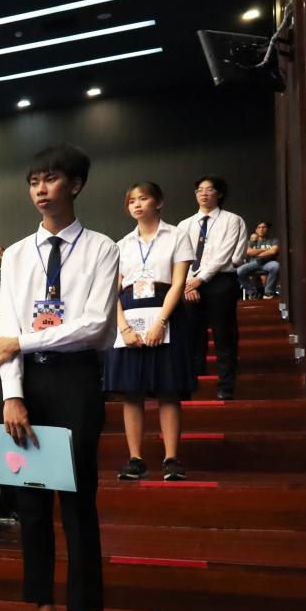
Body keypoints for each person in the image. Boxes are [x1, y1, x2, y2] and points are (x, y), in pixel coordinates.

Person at [0, 143, 118, 611]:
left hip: (76, 382)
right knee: (31, 503)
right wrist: (12, 395)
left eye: (50, 179)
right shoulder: (17, 254)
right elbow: (6, 330)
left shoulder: (102, 248)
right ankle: (42, 608)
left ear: (76, 185)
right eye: (33, 181)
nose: (40, 190)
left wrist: (24, 342)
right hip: (29, 384)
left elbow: (94, 326)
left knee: (77, 501)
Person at [106, 182, 195, 482]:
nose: (137, 205)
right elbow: (112, 291)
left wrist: (161, 322)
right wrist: (123, 327)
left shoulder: (177, 235)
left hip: (164, 308)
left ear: (158, 202)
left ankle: (171, 459)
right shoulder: (121, 244)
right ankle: (135, 459)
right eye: (132, 201)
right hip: (130, 313)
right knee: (132, 391)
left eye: (143, 199)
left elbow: (179, 283)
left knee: (168, 390)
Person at [177, 175, 247, 401]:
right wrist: (189, 283)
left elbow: (224, 255)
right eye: (199, 190)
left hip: (220, 281)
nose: (203, 193)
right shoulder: (185, 225)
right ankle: (192, 383)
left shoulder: (232, 220)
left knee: (224, 335)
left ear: (220, 194)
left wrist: (200, 279)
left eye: (209, 189)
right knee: (190, 336)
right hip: (190, 284)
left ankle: (226, 387)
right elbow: (181, 257)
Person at [236, 220, 281, 299]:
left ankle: (268, 293)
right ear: (256, 230)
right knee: (238, 271)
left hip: (268, 263)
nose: (261, 229)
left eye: (263, 227)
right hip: (254, 263)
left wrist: (257, 253)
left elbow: (273, 251)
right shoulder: (251, 242)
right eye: (259, 227)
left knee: (276, 266)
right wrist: (266, 250)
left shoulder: (274, 240)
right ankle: (253, 293)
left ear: (267, 229)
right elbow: (249, 252)